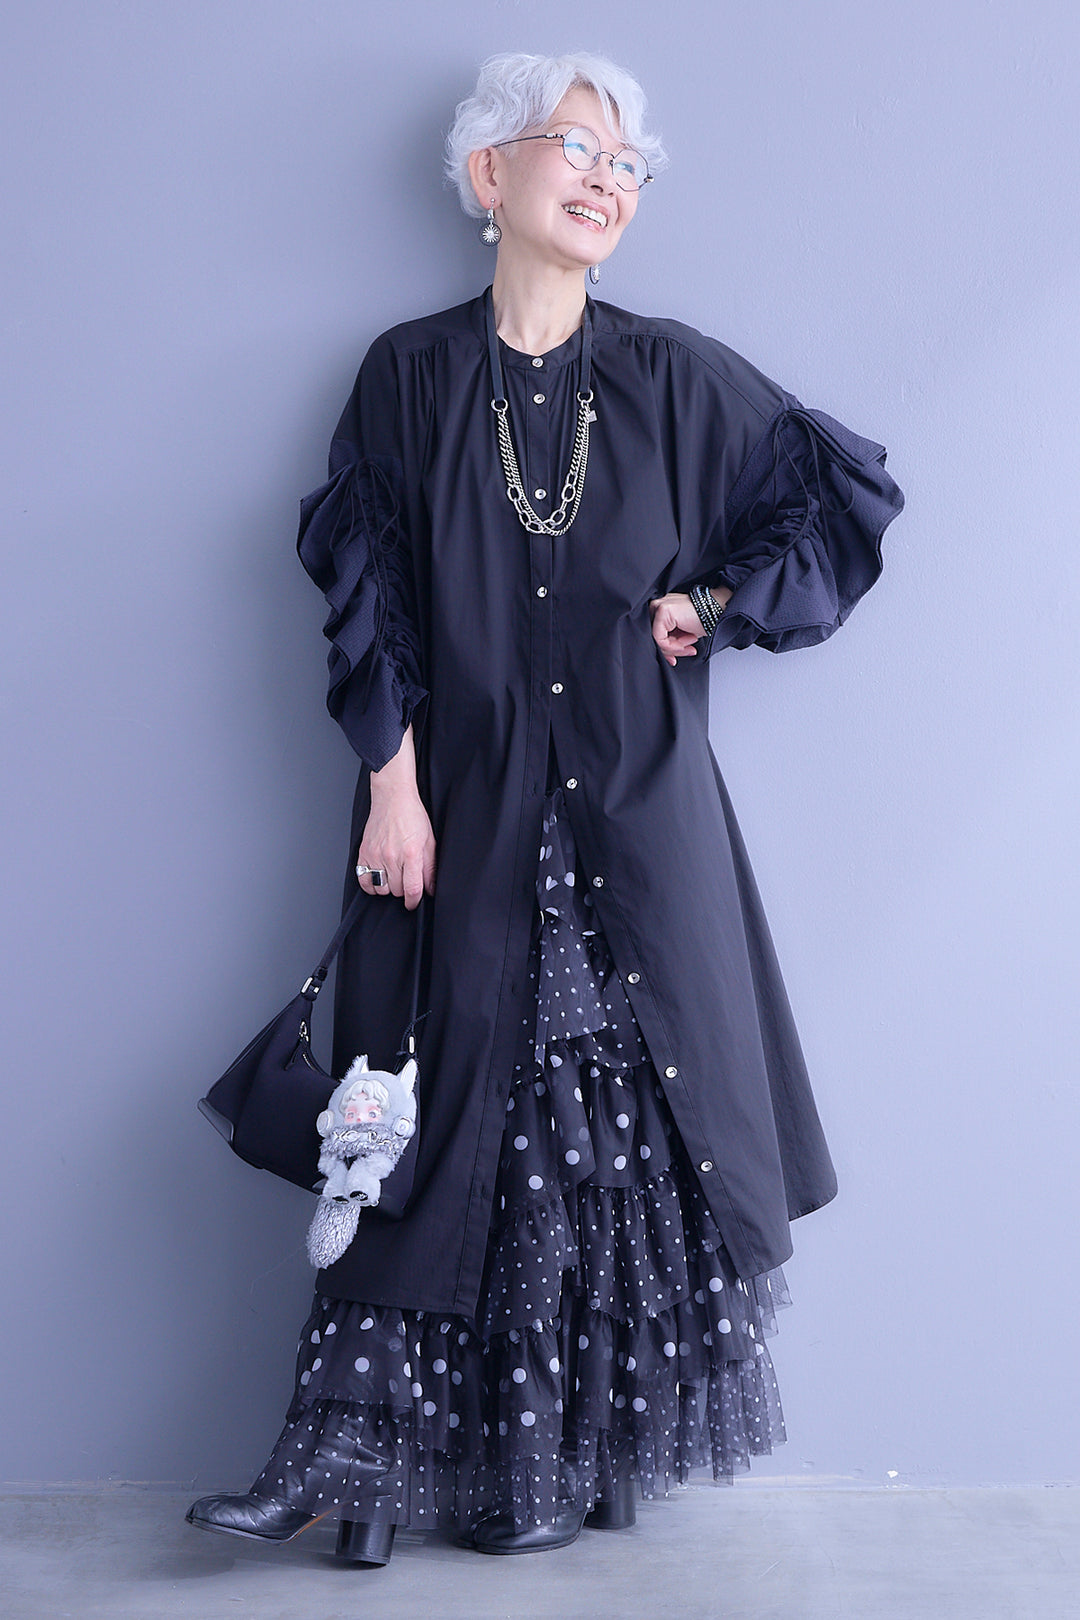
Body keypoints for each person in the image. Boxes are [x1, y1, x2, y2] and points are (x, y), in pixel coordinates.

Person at [187, 50, 903, 1565]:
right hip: (461, 818)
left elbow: (838, 502)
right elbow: (369, 596)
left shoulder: (674, 375)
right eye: (578, 148)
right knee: (425, 1122)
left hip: (637, 831)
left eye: (628, 165)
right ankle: (339, 1467)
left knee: (598, 1150)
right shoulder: (407, 375)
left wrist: (716, 604)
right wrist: (391, 790)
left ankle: (546, 1474)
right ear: (489, 173)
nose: (607, 181)